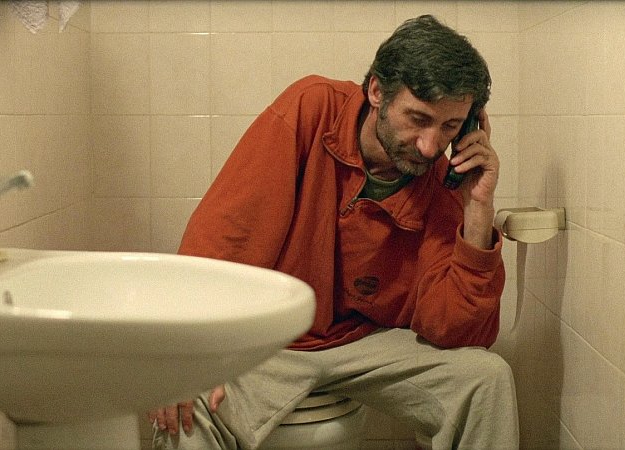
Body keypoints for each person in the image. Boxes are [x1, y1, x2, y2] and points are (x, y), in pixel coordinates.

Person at [148, 14, 519, 450]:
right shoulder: (312, 108)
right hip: (271, 343)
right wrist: (183, 350)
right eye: (417, 118)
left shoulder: (441, 176)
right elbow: (225, 236)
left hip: (366, 342)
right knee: (186, 404)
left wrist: (477, 207)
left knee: (486, 378)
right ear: (377, 91)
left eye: (450, 127)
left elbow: (454, 329)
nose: (430, 145)